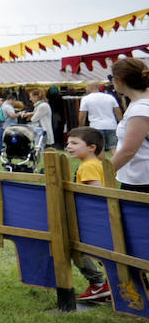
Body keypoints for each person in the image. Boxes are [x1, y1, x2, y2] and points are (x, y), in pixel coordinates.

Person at [64, 127, 111, 302]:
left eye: (75, 143)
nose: (69, 146)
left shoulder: (88, 166)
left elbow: (95, 193)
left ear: (91, 147)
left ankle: (98, 285)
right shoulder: (96, 164)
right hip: (98, 218)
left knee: (76, 249)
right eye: (68, 143)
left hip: (91, 218)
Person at [109, 58, 149, 194]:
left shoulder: (141, 109)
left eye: (111, 78)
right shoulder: (139, 103)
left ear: (119, 80)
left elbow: (128, 151)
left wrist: (102, 171)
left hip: (141, 181)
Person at [79, 81, 122, 154]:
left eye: (87, 87)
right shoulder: (110, 97)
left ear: (90, 87)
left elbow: (82, 115)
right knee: (113, 147)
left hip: (96, 126)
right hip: (111, 125)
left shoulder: (86, 99)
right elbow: (118, 111)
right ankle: (116, 165)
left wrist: (81, 126)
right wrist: (121, 122)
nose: (86, 88)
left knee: (99, 149)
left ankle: (101, 165)